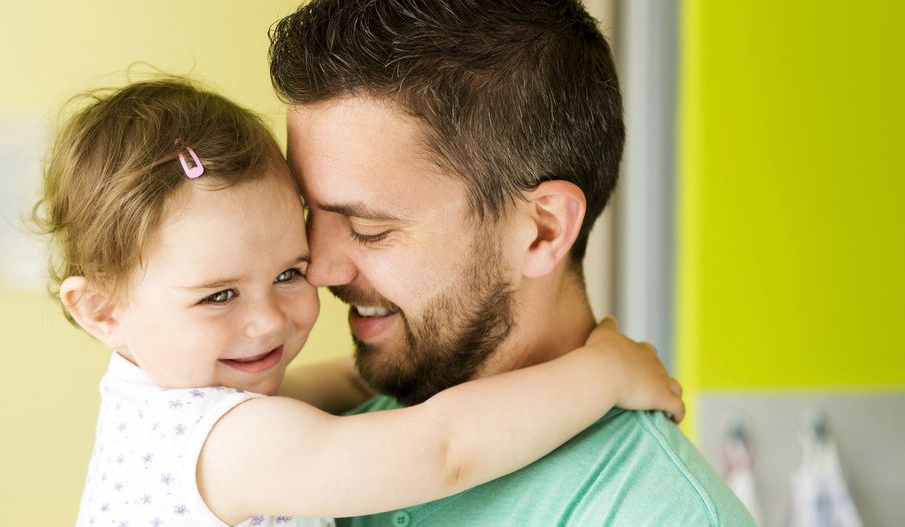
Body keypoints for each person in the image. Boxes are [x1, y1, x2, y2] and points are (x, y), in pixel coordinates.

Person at [36, 78, 684, 527]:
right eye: (220, 295)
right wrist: (604, 372)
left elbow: (342, 382)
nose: (269, 318)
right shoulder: (228, 446)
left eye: (288, 272)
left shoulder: (164, 403)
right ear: (101, 311)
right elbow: (444, 449)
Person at [269, 0, 757, 525]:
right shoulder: (316, 440)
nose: (318, 269)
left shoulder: (656, 514)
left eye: (369, 228)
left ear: (543, 230)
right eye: (308, 213)